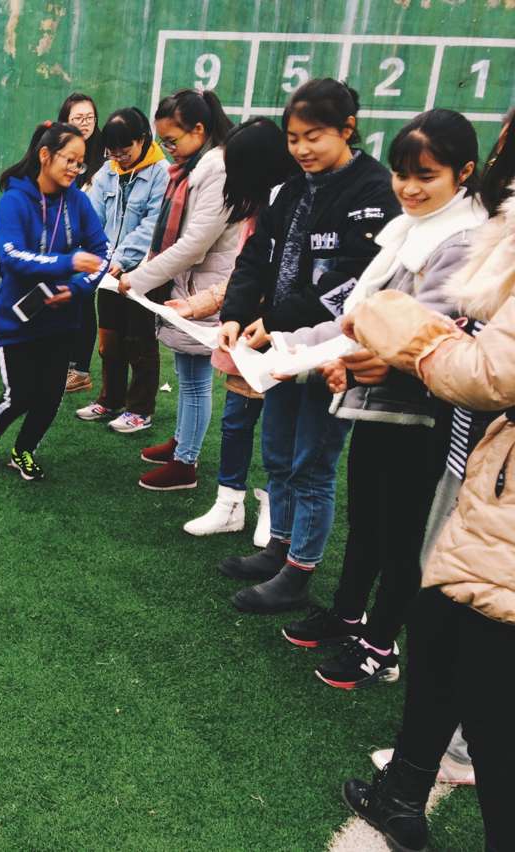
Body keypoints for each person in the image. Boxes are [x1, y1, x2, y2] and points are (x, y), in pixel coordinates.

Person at [336, 158, 515, 851]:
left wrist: (405, 330)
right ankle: (403, 795)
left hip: (501, 499)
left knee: (493, 699)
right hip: (486, 476)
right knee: (439, 625)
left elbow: (490, 371)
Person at [278, 110, 486, 689]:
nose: (409, 188)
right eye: (401, 173)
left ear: (465, 172)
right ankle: (348, 614)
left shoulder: (465, 238)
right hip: (376, 403)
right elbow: (362, 319)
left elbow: (429, 331)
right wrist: (287, 344)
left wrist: (366, 356)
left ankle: (380, 644)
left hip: (425, 415)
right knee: (367, 518)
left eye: (426, 175)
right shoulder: (409, 229)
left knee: (402, 534)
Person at [217, 79, 400, 613]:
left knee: (312, 463)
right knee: (277, 453)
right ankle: (279, 548)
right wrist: (235, 314)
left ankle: (299, 570)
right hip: (280, 350)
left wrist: (274, 320)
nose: (301, 149)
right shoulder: (290, 190)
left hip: (331, 353)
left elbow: (352, 282)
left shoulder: (374, 191)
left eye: (313, 136)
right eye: (293, 138)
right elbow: (255, 258)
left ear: (347, 129)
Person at [168, 118, 298, 540]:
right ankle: (229, 504)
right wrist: (198, 305)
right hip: (246, 339)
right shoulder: (258, 211)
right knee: (237, 421)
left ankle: (275, 508)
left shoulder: (296, 204)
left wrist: (273, 323)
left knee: (281, 433)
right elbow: (245, 272)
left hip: (287, 339)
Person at [0, 120, 108, 482]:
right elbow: (13, 256)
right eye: (69, 160)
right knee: (20, 395)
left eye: (80, 163)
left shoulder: (77, 201)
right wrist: (68, 263)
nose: (75, 169)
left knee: (50, 395)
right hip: (17, 320)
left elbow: (103, 252)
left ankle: (24, 450)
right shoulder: (14, 201)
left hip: (61, 320)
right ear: (45, 155)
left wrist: (78, 288)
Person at [116, 88, 239, 491]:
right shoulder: (193, 168)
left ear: (199, 130)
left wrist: (139, 278)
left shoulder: (216, 168)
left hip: (208, 287)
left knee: (197, 380)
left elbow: (194, 244)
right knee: (187, 373)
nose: (167, 150)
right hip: (191, 285)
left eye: (171, 141)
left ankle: (186, 462)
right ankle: (183, 441)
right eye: (163, 141)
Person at [74, 107, 169, 433]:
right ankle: (110, 399)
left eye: (124, 150)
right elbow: (93, 217)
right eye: (112, 152)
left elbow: (153, 225)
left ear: (142, 139)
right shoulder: (107, 171)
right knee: (109, 340)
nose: (119, 157)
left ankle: (140, 410)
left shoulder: (161, 174)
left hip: (142, 273)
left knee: (139, 342)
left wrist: (121, 258)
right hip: (109, 273)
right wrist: (99, 256)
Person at [59, 92, 106, 393]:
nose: (85, 123)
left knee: (83, 301)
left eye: (89, 117)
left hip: (90, 243)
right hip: (62, 241)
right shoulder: (60, 150)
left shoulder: (106, 156)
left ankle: (80, 370)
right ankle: (64, 363)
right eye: (78, 118)